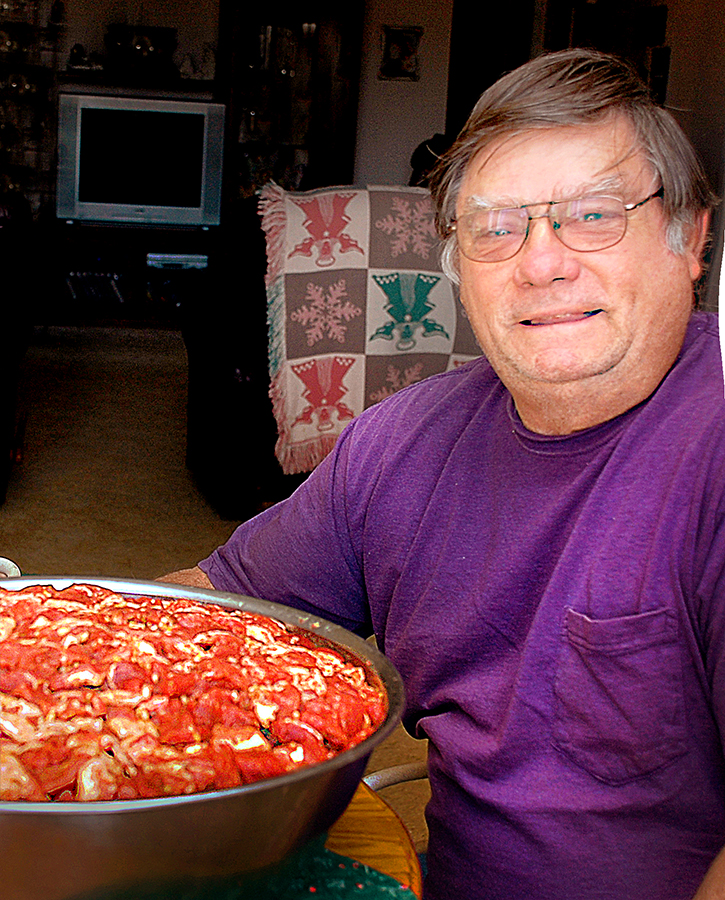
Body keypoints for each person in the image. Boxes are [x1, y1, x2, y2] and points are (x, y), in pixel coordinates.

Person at [161, 48, 725, 899]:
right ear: (457, 265)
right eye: (496, 227)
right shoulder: (398, 445)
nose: (541, 262)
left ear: (690, 238)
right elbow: (201, 612)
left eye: (593, 214)